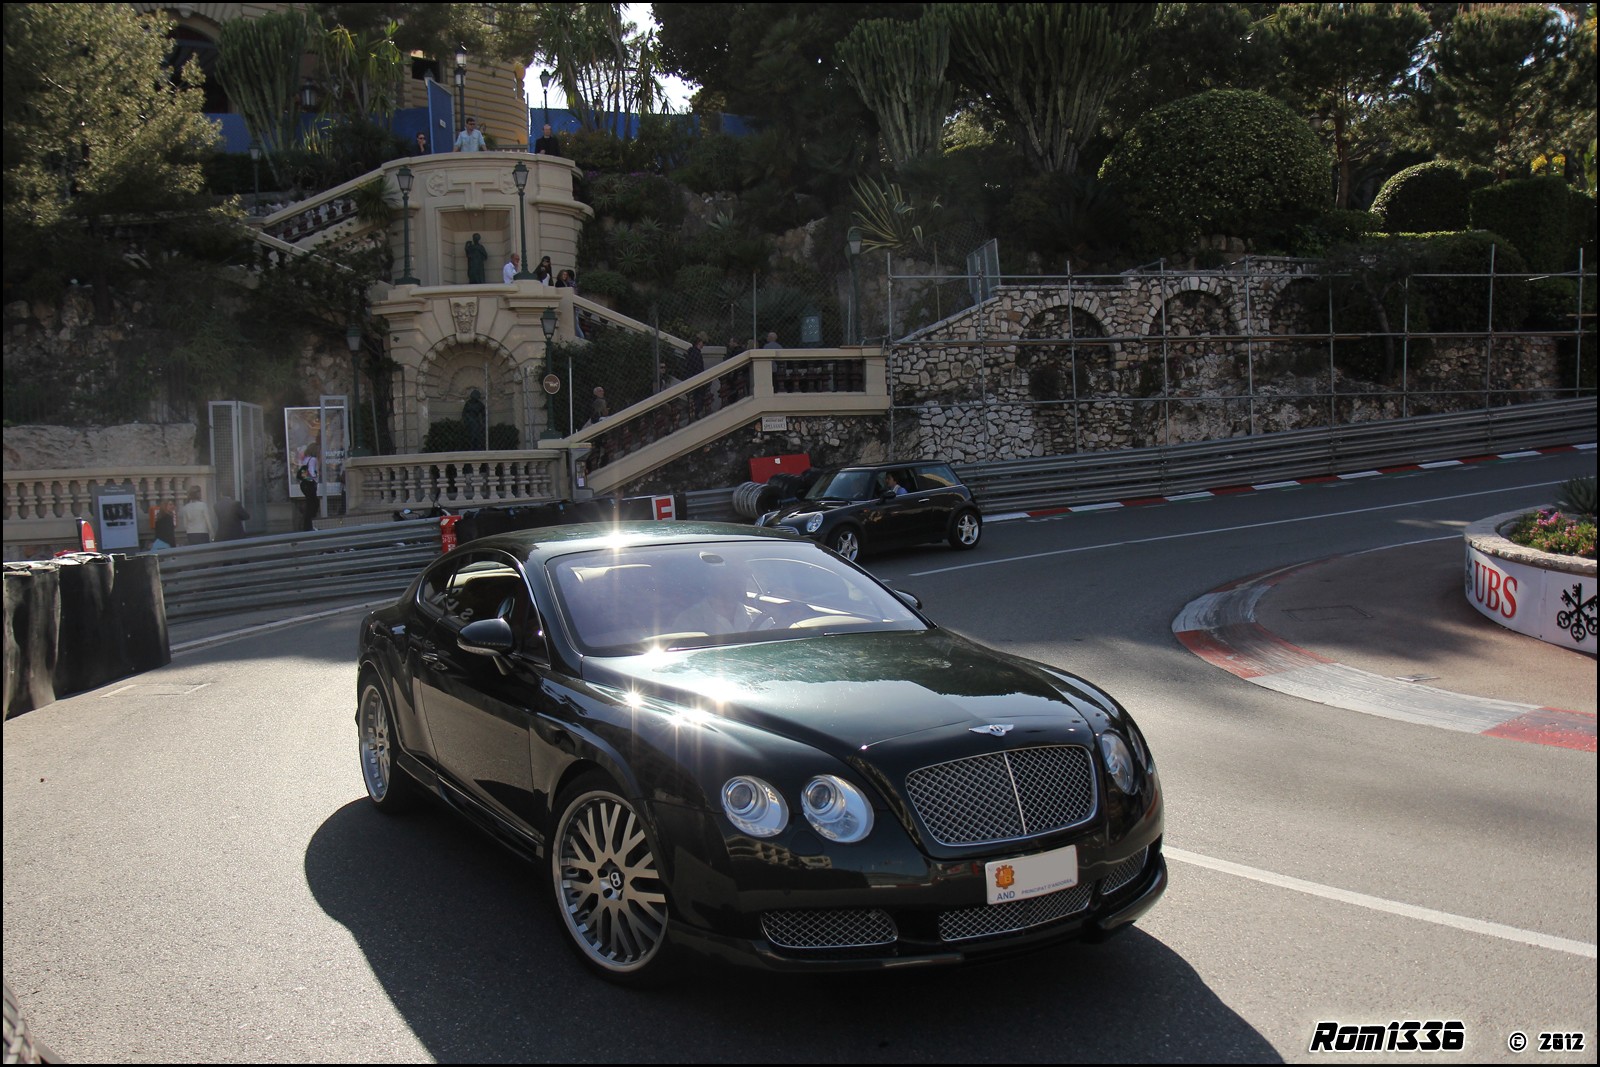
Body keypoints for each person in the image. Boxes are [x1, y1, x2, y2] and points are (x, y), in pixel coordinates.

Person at [296, 465, 320, 531]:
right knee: (309, 513)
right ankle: (308, 527)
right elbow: (310, 487)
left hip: (313, 498)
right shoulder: (304, 482)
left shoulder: (309, 479)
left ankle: (310, 526)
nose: (307, 472)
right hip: (310, 498)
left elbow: (313, 482)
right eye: (306, 471)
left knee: (311, 512)